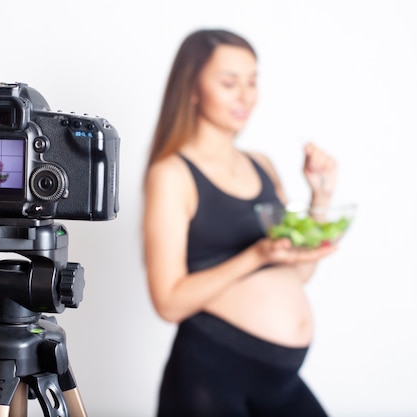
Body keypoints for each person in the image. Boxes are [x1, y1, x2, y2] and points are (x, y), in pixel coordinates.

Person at [142, 29, 338, 416]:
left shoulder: (261, 165)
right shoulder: (172, 174)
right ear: (193, 88)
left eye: (252, 81)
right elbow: (167, 302)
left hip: (279, 381)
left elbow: (299, 274)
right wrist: (257, 255)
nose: (246, 95)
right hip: (211, 375)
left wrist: (321, 196)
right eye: (230, 82)